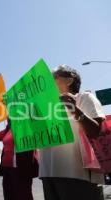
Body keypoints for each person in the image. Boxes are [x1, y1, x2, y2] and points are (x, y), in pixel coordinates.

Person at [39, 65, 106, 200]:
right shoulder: (46, 107)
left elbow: (95, 131)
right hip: (48, 173)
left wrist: (75, 109)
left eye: (54, 77)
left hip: (77, 174)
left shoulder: (84, 97)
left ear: (69, 80)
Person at [0, 117, 38, 200]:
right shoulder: (8, 130)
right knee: (8, 195)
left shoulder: (27, 126)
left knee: (23, 196)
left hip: (21, 169)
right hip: (7, 168)